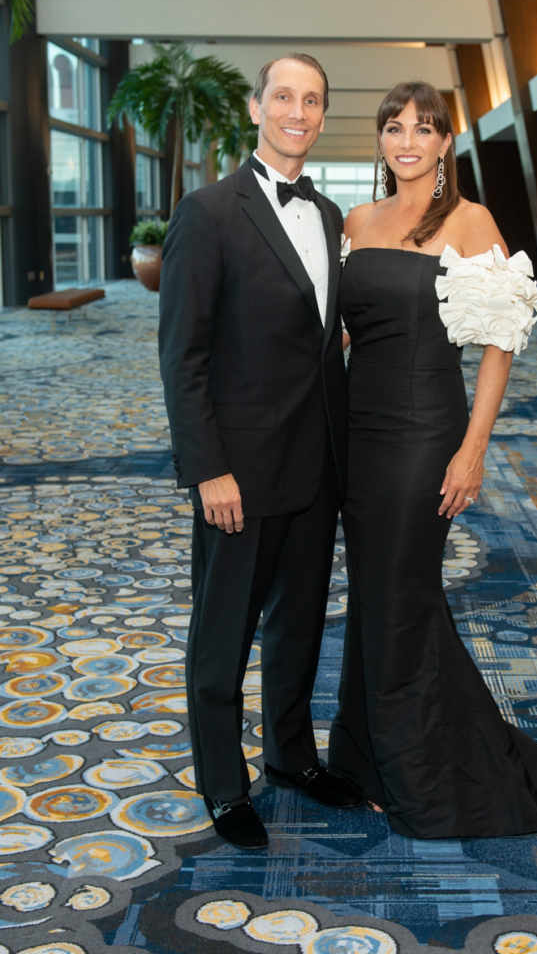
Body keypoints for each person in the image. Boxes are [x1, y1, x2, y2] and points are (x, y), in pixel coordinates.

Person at [328, 81, 537, 839]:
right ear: (380, 139)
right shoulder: (357, 221)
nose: (407, 140)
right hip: (357, 434)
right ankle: (370, 754)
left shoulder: (470, 221)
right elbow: (342, 335)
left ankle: (425, 772)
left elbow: (500, 342)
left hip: (422, 434)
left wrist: (472, 450)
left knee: (401, 594)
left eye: (425, 128)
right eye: (394, 127)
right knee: (376, 594)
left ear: (445, 143)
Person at [158, 53, 362, 852]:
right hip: (236, 471)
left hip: (317, 464)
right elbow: (184, 356)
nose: (298, 112)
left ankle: (290, 757)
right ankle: (221, 784)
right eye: (284, 96)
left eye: (312, 100)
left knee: (301, 625)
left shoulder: (332, 215)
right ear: (255, 106)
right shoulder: (208, 212)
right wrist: (208, 467)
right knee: (222, 635)